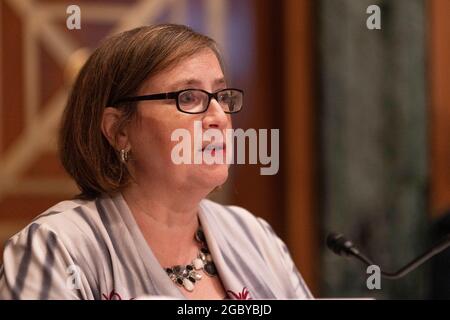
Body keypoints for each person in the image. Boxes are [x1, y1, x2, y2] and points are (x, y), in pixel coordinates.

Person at [0, 24, 312, 300]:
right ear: (119, 130)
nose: (218, 117)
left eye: (221, 96)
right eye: (188, 97)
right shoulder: (55, 248)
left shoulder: (253, 235)